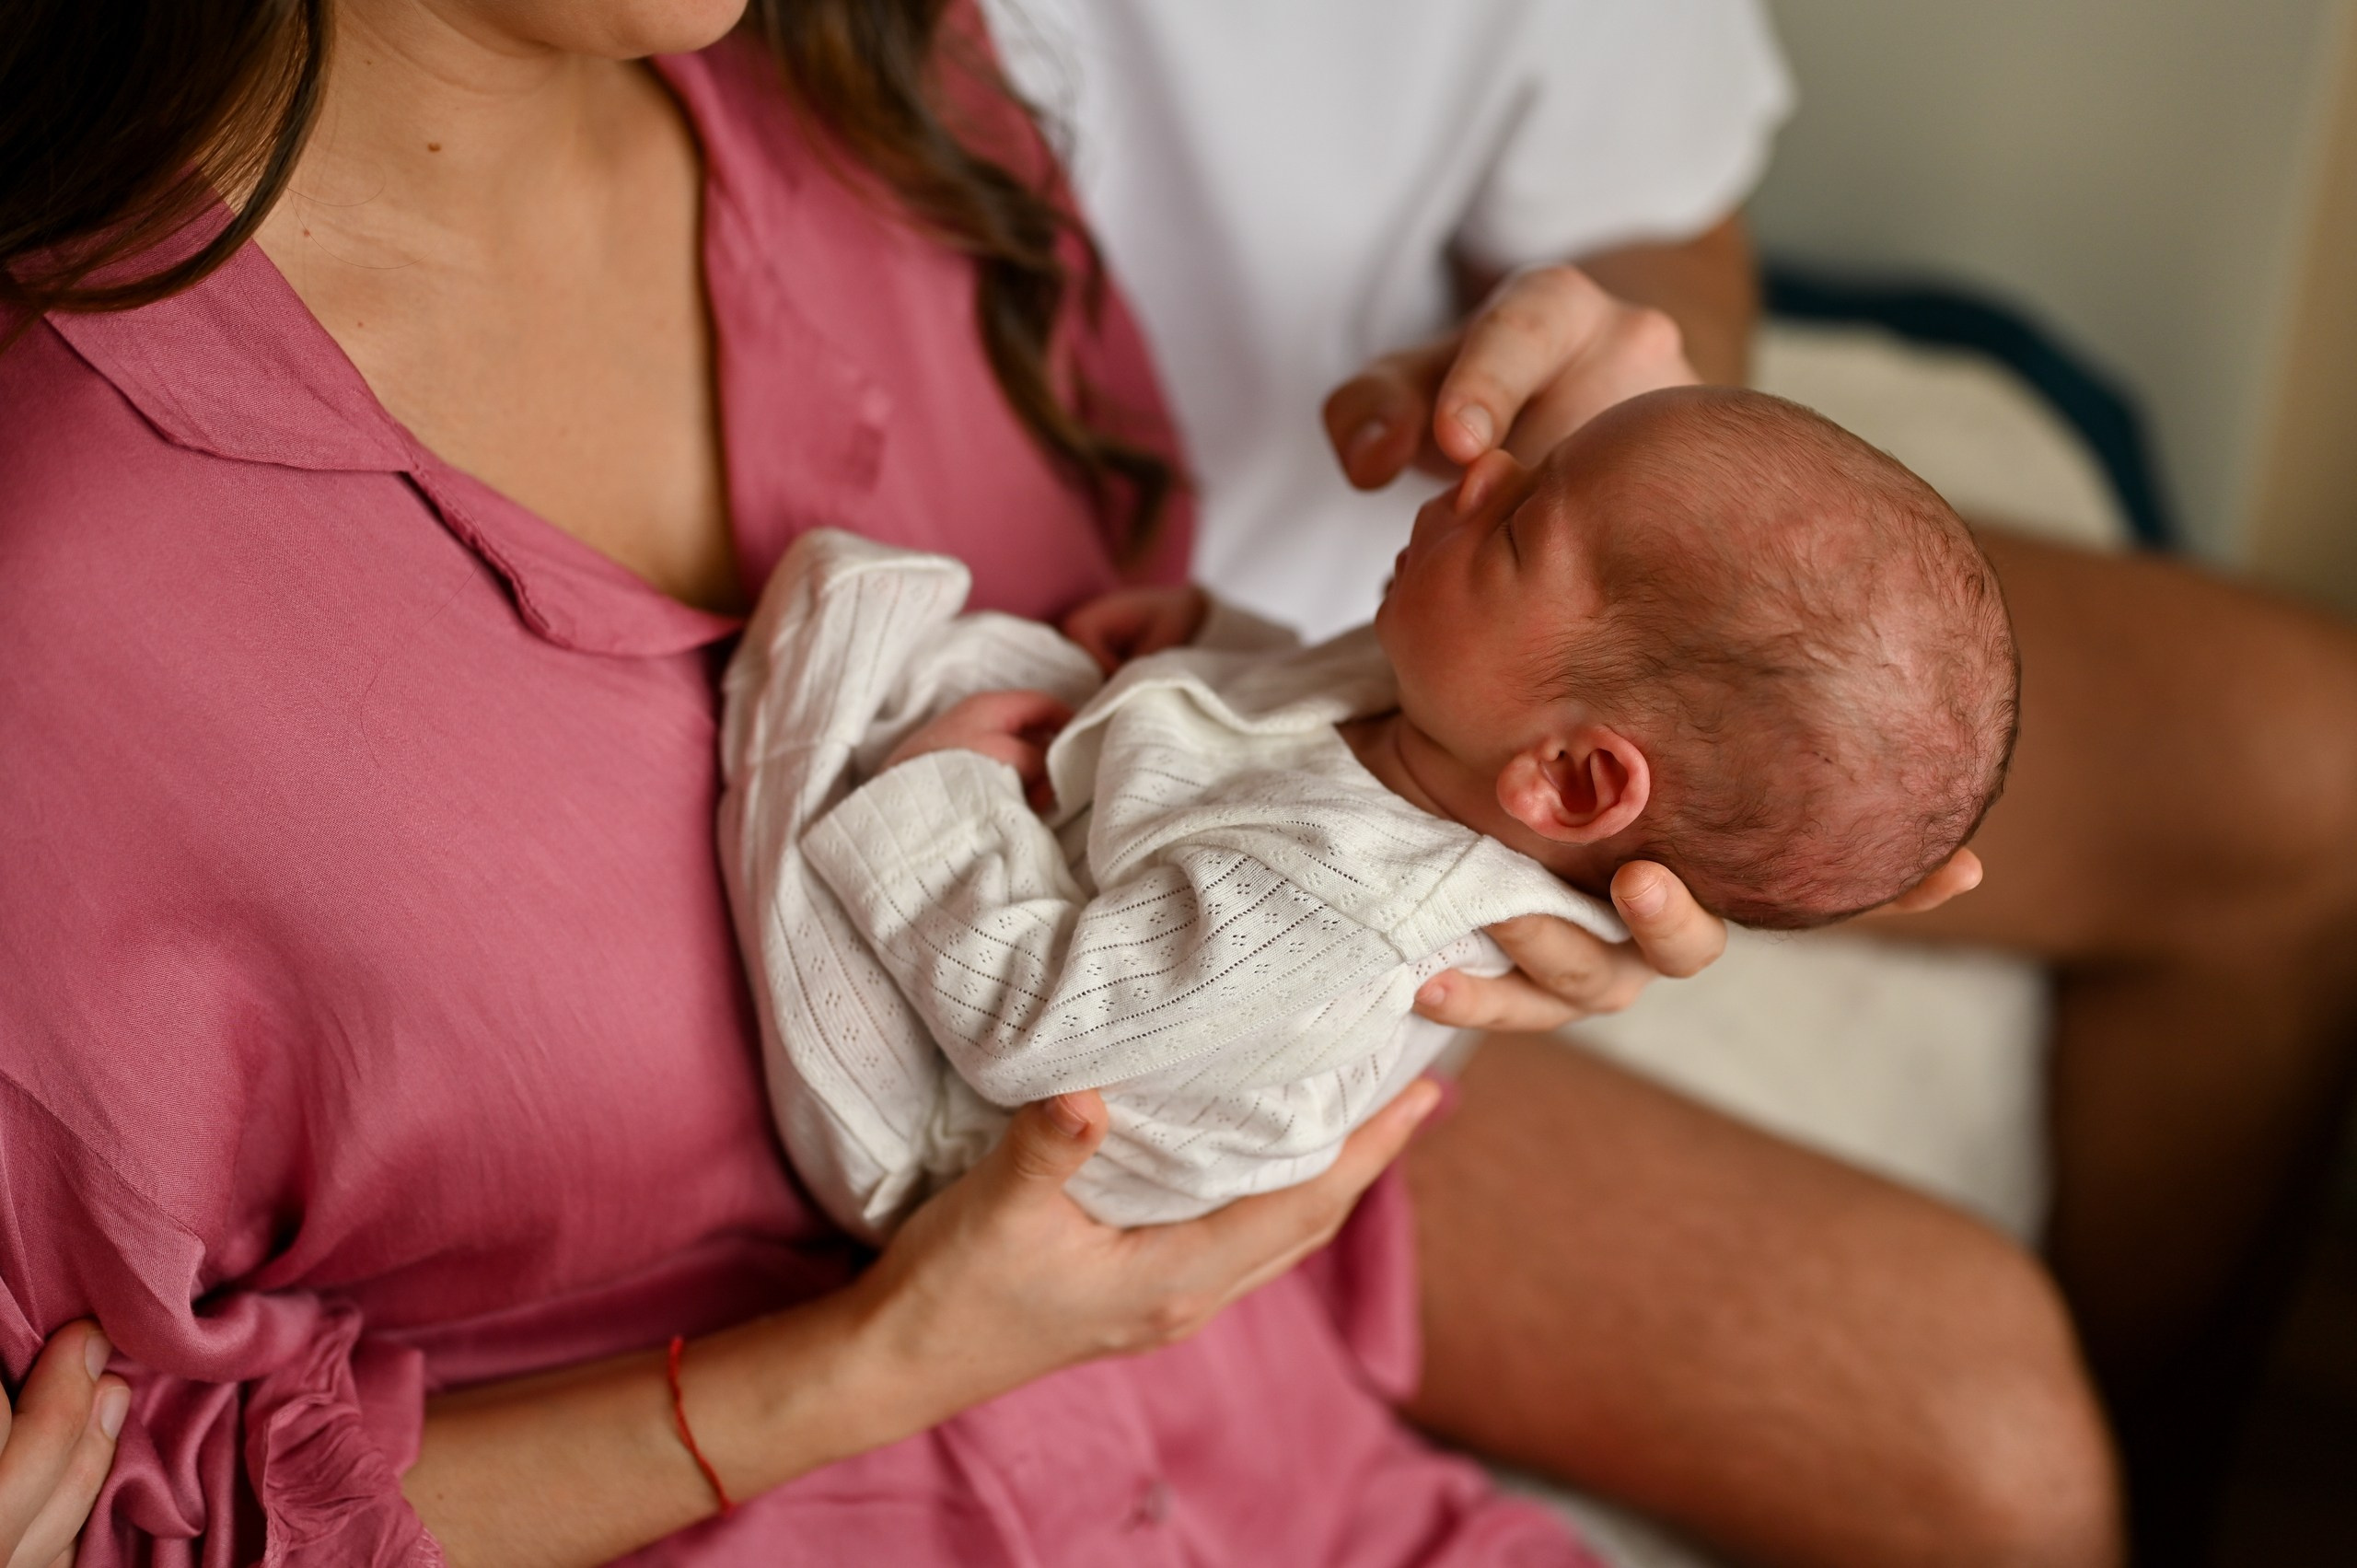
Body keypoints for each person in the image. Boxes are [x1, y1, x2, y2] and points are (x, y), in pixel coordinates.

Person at [0, 4, 2115, 1567]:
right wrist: (863, 1378)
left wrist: (1467, 756)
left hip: (1272, 1458)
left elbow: (1159, 710)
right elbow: (101, 1510)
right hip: (797, 1472)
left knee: (1992, 1415)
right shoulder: (75, 602)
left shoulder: (884, 106)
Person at [982, 0, 2357, 1548]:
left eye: (1513, 505)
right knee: (1990, 1440)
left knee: (2316, 763)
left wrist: (1610, 403)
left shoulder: (1522, 542)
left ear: (1579, 791)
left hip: (1539, 614)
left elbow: (1659, 220)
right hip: (1268, 688)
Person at [731, 386, 2015, 1235]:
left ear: (1570, 781)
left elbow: (1034, 1025)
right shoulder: (1466, 724)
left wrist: (947, 796)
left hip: (946, 1134)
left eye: (1517, 528)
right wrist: (1210, 647)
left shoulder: (1335, 917)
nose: (1481, 470)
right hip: (1081, 965)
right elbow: (1307, 730)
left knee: (847, 669)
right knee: (963, 668)